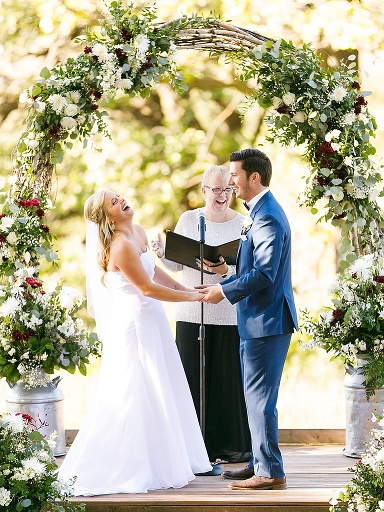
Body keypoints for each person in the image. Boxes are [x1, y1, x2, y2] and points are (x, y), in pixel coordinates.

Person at [58, 188, 212, 496]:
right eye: (113, 202)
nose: (121, 200)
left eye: (118, 196)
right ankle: (127, 463)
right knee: (135, 389)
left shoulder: (139, 232)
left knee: (161, 386)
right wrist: (193, 297)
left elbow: (156, 273)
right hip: (134, 324)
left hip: (153, 321)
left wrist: (187, 288)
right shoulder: (120, 247)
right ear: (108, 219)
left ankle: (162, 459)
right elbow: (148, 288)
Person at [199, 148, 297, 491]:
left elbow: (266, 275)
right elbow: (254, 266)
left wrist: (223, 291)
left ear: (254, 178)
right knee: (254, 397)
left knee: (261, 400)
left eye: (235, 176)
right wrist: (227, 273)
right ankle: (259, 462)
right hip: (257, 319)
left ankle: (269, 472)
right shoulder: (259, 212)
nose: (230, 182)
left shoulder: (268, 216)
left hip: (266, 321)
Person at [152, 165, 251, 464]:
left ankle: (229, 447)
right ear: (204, 190)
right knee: (191, 378)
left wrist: (225, 270)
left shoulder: (244, 224)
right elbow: (178, 266)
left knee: (225, 379)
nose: (222, 195)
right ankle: (194, 449)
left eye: (227, 189)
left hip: (227, 312)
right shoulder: (189, 219)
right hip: (191, 310)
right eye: (216, 189)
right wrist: (161, 253)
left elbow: (249, 270)